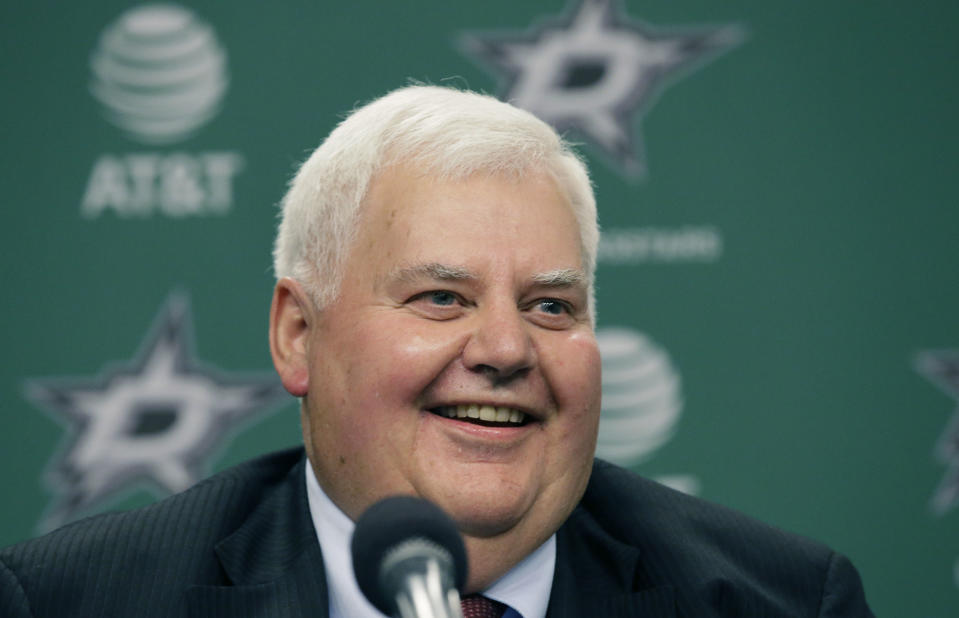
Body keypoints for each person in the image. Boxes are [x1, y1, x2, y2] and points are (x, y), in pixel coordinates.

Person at [0, 85, 873, 617]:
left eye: (549, 304)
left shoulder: (782, 603)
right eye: (441, 297)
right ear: (297, 335)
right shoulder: (76, 602)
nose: (504, 348)